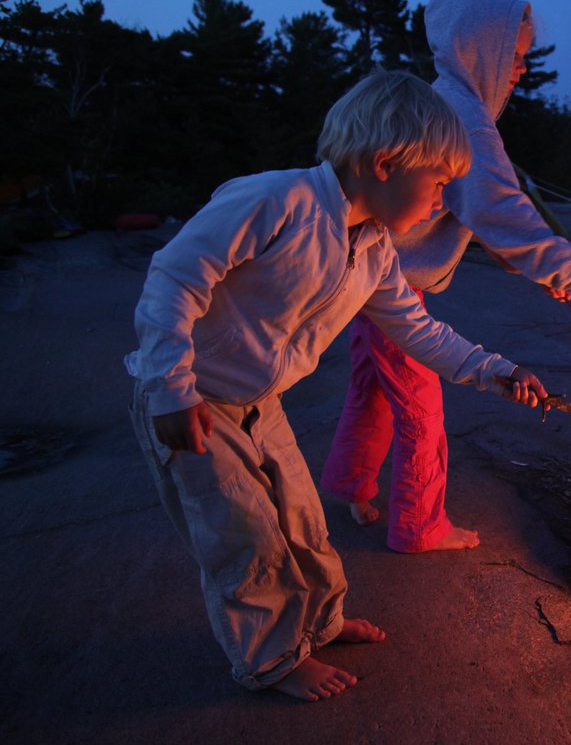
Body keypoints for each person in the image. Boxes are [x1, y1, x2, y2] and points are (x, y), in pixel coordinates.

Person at [125, 70, 547, 702]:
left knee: (301, 519)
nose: (440, 203)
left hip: (259, 405)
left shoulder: (373, 249)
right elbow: (174, 278)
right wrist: (169, 386)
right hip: (196, 401)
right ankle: (271, 660)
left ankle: (319, 624)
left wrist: (496, 370)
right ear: (385, 164)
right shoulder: (276, 202)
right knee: (244, 538)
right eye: (437, 185)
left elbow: (417, 329)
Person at [320, 0, 571, 554]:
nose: (521, 69)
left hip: (368, 280)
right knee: (421, 406)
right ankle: (419, 523)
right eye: (513, 56)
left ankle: (351, 485)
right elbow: (500, 208)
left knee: (372, 390)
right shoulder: (462, 119)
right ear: (479, 51)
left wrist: (529, 268)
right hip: (393, 289)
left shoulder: (446, 105)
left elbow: (468, 215)